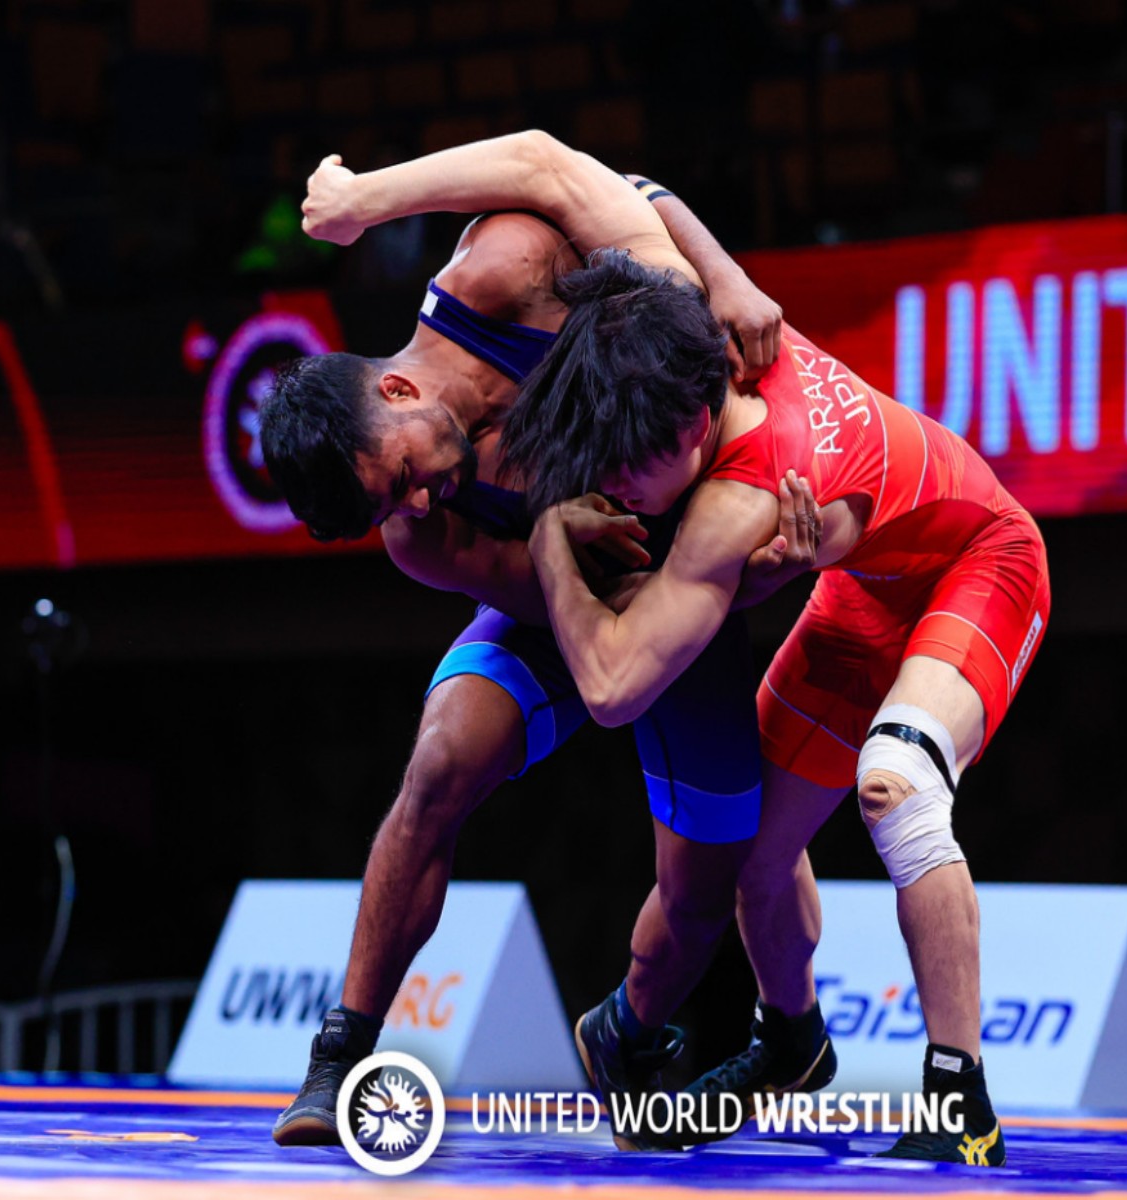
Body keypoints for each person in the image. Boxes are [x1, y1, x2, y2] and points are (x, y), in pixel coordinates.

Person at [395, 132, 1049, 1163]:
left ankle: (958, 1102)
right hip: (863, 594)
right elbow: (627, 187)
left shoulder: (736, 498)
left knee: (894, 782)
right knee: (748, 847)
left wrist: (557, 547)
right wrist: (729, 270)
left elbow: (610, 688)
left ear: (696, 429)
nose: (616, 491)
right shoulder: (692, 325)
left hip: (981, 564)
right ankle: (791, 1041)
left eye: (629, 473)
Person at [261, 133, 819, 1148]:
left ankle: (637, 1035)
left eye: (405, 476)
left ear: (392, 392)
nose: (423, 500)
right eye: (398, 503)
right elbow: (549, 596)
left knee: (713, 880)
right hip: (573, 607)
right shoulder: (418, 536)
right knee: (438, 763)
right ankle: (340, 1054)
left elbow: (615, 192)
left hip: (682, 581)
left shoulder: (503, 276)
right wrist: (562, 538)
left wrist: (726, 277)